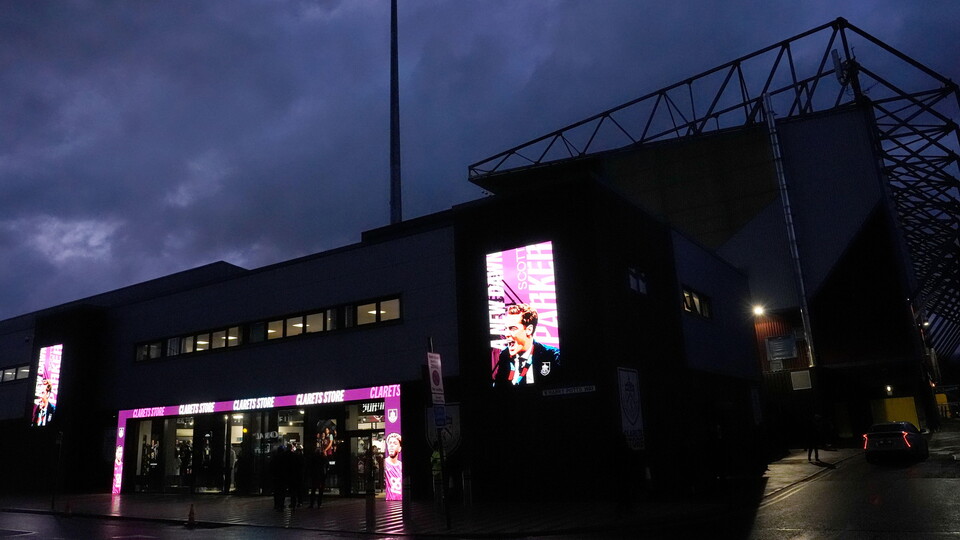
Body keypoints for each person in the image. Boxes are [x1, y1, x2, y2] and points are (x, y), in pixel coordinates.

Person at [493, 304, 560, 386]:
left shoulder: (552, 356)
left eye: (512, 328)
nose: (506, 334)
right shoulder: (504, 355)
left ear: (529, 330)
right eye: (505, 329)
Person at [308, 436, 328, 508]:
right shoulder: (323, 458)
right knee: (320, 490)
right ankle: (319, 504)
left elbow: (310, 466)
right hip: (321, 475)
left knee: (313, 490)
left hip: (315, 475)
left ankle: (312, 504)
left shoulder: (313, 458)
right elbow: (326, 465)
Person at [384, 433, 402, 500]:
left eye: (394, 443)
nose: (391, 445)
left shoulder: (401, 466)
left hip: (399, 499)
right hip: (389, 500)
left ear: (400, 448)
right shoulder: (384, 463)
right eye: (390, 443)